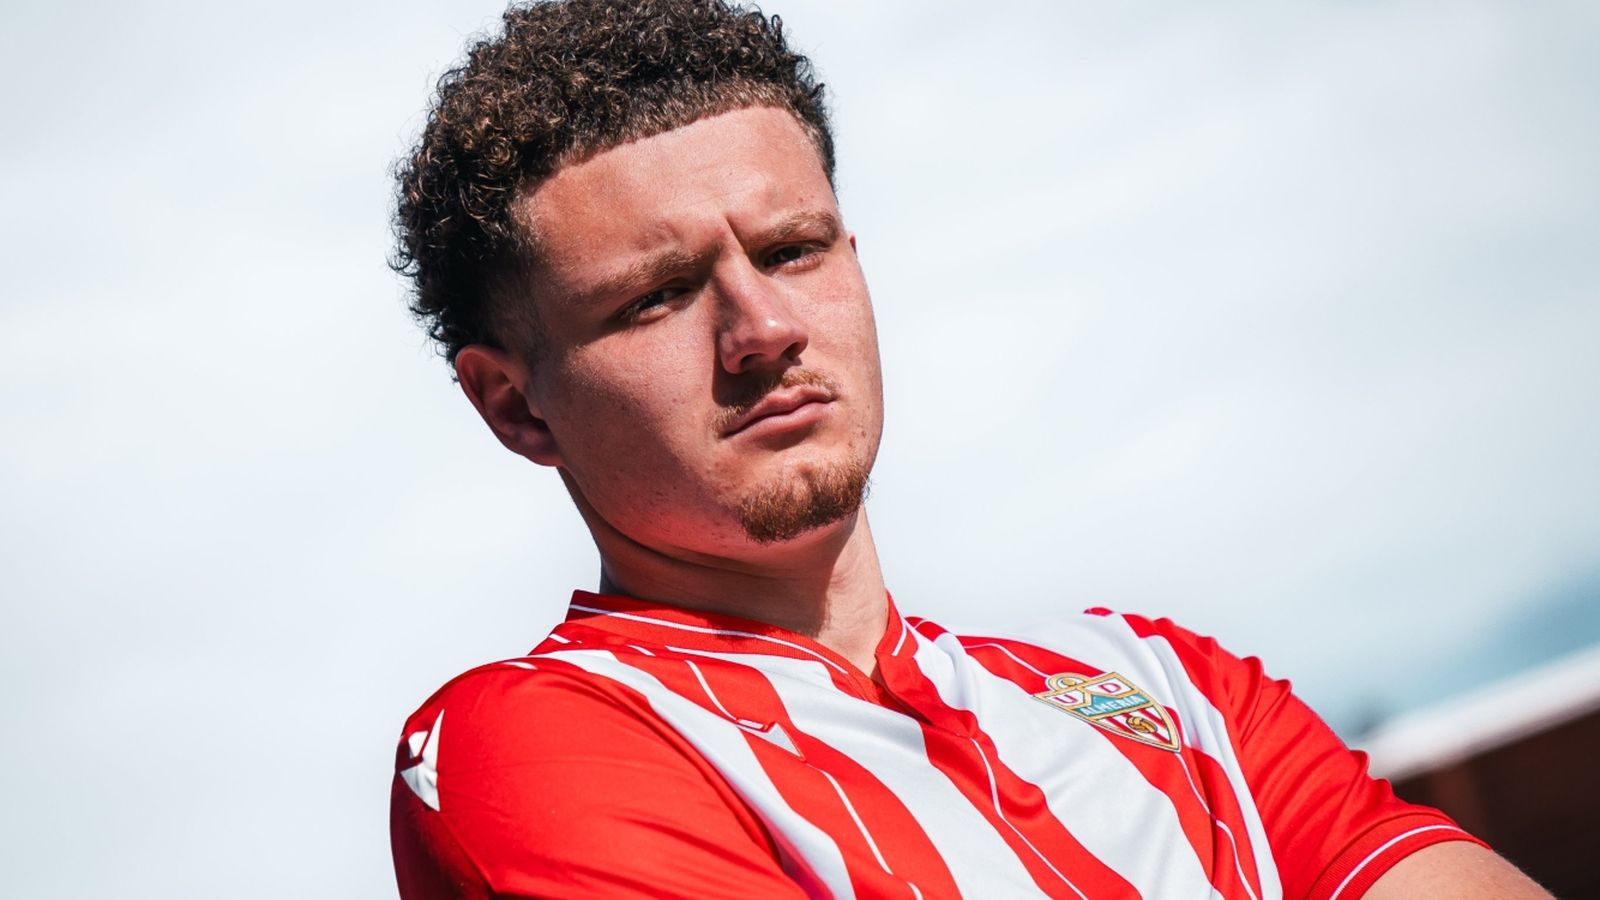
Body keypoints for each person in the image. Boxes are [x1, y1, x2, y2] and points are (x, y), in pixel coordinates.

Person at [388, 1, 1548, 896]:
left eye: (793, 249)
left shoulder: (1171, 688)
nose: (764, 329)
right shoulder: (528, 742)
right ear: (512, 407)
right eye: (656, 297)